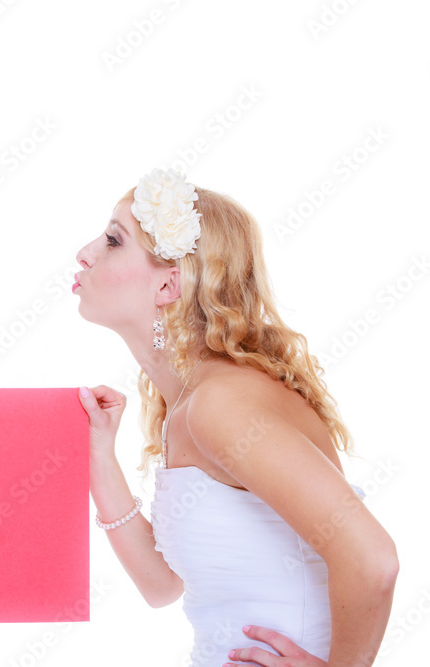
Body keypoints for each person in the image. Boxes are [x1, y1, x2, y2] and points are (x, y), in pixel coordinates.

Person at [73, 169, 397, 666]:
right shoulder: (188, 405)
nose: (85, 253)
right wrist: (99, 456)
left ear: (168, 284)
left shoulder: (220, 403)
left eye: (114, 240)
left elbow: (373, 560)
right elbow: (162, 586)